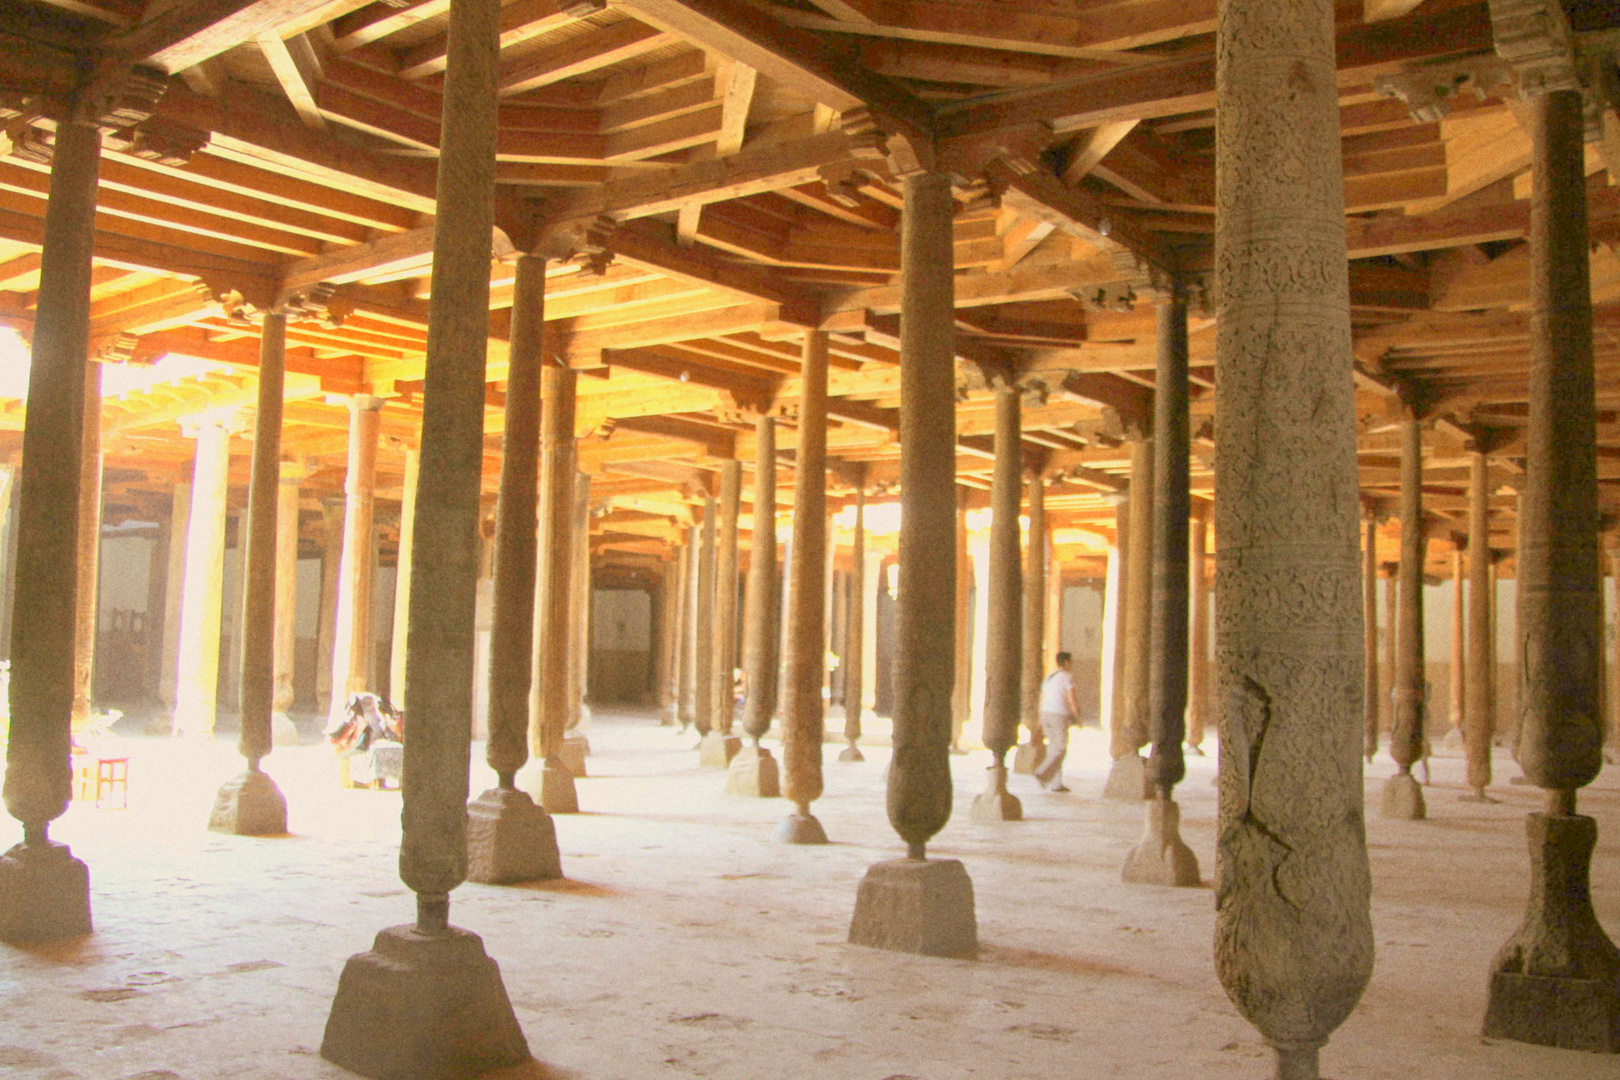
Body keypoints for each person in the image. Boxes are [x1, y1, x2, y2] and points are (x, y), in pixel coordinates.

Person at [1034, 652, 1081, 792]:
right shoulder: (1067, 677)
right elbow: (1071, 699)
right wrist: (1077, 717)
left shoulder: (1049, 677)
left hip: (1046, 713)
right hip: (1058, 714)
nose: (1072, 663)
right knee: (1060, 748)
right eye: (1071, 661)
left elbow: (1042, 698)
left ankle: (1056, 783)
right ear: (1066, 662)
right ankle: (1042, 772)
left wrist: (1040, 720)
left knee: (1053, 749)